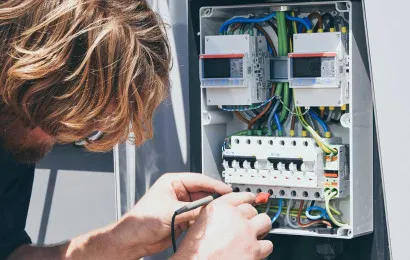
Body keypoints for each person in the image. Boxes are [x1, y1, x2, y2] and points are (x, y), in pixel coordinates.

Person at [0, 0, 273, 259]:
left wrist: (122, 240)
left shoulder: (16, 124)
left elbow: (9, 254)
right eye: (62, 122)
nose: (60, 139)